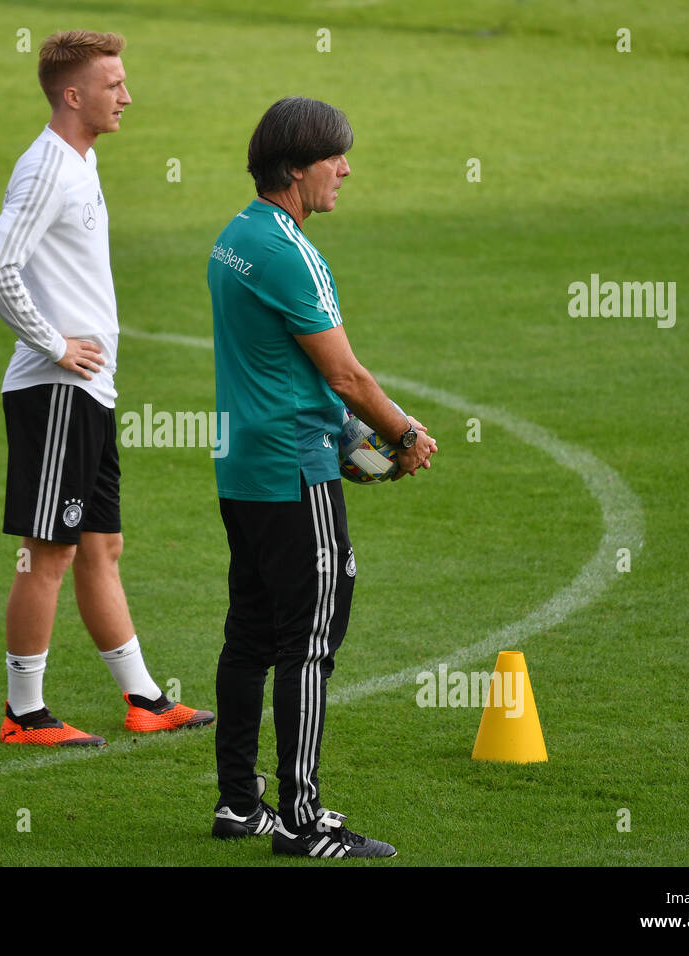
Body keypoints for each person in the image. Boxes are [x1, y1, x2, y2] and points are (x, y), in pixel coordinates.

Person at [206, 97, 438, 857]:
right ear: (295, 168)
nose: (345, 169)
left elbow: (280, 365)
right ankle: (303, 823)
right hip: (293, 472)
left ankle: (241, 806)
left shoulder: (236, 236)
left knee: (249, 639)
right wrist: (402, 434)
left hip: (243, 466)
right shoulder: (289, 251)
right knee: (308, 645)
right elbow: (343, 373)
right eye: (335, 156)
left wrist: (355, 441)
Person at [0, 30, 213, 746]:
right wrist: (53, 343)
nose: (127, 96)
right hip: (55, 391)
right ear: (73, 95)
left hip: (91, 394)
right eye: (114, 84)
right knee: (45, 550)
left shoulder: (81, 161)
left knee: (100, 546)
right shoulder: (47, 166)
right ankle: (24, 713)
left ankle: (143, 697)